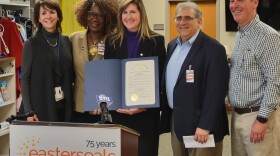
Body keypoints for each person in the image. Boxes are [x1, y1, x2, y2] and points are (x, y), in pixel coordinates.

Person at [160, 2, 229, 156]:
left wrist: (205, 126)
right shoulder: (172, 46)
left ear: (199, 21)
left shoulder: (214, 49)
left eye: (187, 18)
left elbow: (216, 92)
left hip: (202, 127)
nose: (182, 22)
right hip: (177, 122)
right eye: (178, 18)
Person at [104, 0, 166, 155]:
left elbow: (161, 78)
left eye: (133, 12)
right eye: (124, 12)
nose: (128, 16)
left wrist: (145, 106)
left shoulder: (155, 41)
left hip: (145, 114)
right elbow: (108, 77)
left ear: (141, 14)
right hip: (119, 113)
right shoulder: (112, 41)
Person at [228, 0, 280, 156]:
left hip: (257, 117)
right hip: (236, 117)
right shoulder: (240, 34)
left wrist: (262, 119)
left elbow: (275, 81)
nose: (234, 5)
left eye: (240, 0)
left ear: (255, 2)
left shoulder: (268, 35)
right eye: (231, 1)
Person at [21, 0, 73, 122]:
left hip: (63, 107)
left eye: (52, 12)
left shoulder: (66, 41)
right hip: (40, 108)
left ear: (58, 16)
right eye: (43, 13)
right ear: (38, 18)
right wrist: (29, 111)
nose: (48, 16)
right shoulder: (31, 44)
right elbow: (25, 79)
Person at [70, 0, 118, 123]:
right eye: (91, 13)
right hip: (78, 107)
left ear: (108, 18)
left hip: (104, 108)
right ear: (85, 15)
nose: (95, 18)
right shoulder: (73, 39)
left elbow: (116, 78)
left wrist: (104, 103)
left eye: (100, 15)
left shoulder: (114, 41)